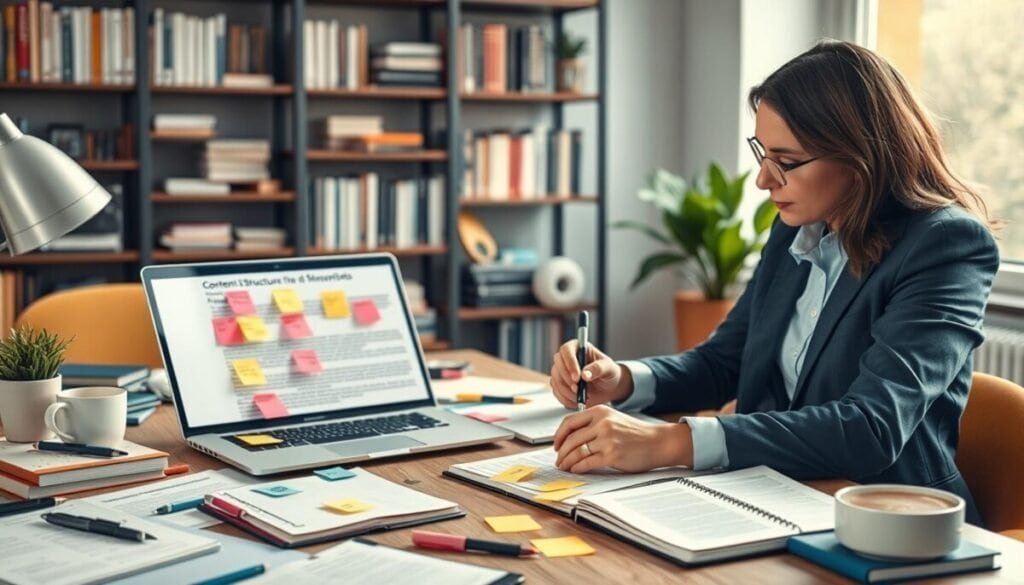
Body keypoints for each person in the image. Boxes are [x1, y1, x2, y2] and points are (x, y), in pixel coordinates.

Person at [549, 40, 999, 525]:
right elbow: (726, 360)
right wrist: (621, 381)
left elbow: (872, 428)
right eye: (763, 152)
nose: (764, 180)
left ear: (861, 157)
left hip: (890, 521)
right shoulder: (794, 230)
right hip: (777, 495)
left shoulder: (945, 245)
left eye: (786, 160)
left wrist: (671, 441)